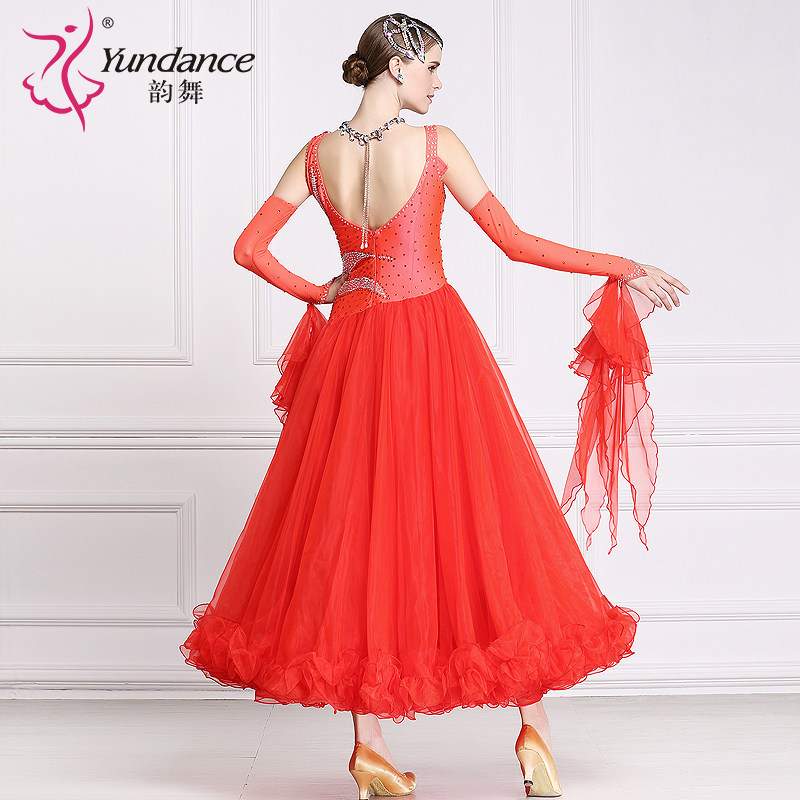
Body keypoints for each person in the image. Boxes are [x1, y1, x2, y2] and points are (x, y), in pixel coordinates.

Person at [180, 13, 689, 799]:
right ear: (399, 66)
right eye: (433, 67)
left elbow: (249, 249)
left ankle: (370, 749)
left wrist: (324, 290)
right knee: (483, 519)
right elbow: (517, 243)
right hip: (433, 343)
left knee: (358, 529)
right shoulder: (437, 145)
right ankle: (533, 733)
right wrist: (620, 264)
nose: (439, 83)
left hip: (354, 349)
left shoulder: (316, 155)